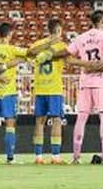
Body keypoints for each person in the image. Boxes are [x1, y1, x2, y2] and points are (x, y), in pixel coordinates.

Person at [67, 10, 103, 164]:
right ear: (102, 21)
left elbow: (68, 57)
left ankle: (76, 156)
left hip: (85, 82)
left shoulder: (80, 37)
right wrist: (101, 66)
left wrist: (85, 64)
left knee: (81, 118)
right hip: (101, 83)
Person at [0, 22, 33, 163]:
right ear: (10, 34)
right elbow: (29, 53)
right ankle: (10, 158)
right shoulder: (12, 49)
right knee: (10, 123)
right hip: (7, 91)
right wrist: (18, 60)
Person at [30, 19, 70, 164]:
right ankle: (55, 156)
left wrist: (46, 49)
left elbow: (30, 52)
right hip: (54, 88)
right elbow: (67, 54)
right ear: (59, 30)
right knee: (57, 120)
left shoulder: (39, 44)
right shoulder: (61, 45)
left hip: (40, 88)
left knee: (39, 121)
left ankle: (38, 157)